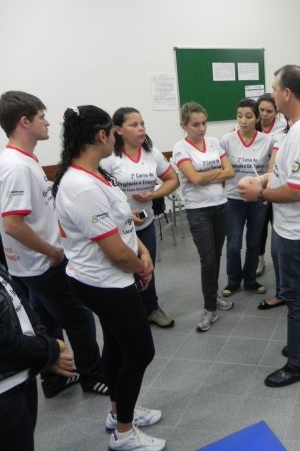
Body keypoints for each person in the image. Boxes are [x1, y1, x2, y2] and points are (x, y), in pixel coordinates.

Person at [53, 105, 164, 451]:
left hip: (111, 277)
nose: (116, 137)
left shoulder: (94, 173)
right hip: (104, 282)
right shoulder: (81, 186)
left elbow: (120, 224)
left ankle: (118, 413)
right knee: (141, 351)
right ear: (103, 135)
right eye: (113, 132)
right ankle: (124, 433)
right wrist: (140, 266)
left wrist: (142, 251)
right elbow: (115, 252)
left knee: (117, 344)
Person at [0, 91, 108, 398]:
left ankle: (54, 379)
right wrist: (52, 251)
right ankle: (92, 375)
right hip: (42, 262)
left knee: (45, 319)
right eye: (41, 117)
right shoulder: (17, 166)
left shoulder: (22, 160)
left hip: (31, 263)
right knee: (79, 317)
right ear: (24, 122)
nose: (47, 122)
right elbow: (12, 224)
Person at [239, 65, 300, 387]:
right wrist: (267, 178)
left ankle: (298, 363)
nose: (270, 94)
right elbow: (295, 174)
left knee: (297, 295)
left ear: (287, 93)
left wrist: (259, 194)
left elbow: (299, 189)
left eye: (274, 88)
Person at [101, 107, 179, 328]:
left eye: (142, 123)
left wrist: (154, 194)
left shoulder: (151, 153)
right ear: (118, 130)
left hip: (146, 222)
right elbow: (99, 193)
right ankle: (129, 314)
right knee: (123, 271)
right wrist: (123, 214)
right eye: (134, 125)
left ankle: (151, 308)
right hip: (118, 227)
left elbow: (173, 180)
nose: (141, 128)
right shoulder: (109, 158)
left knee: (146, 267)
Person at [173, 102, 235, 332]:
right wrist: (217, 173)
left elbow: (230, 172)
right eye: (195, 124)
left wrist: (205, 175)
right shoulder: (180, 148)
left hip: (220, 206)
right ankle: (210, 308)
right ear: (184, 125)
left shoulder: (214, 142)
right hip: (198, 210)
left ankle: (213, 295)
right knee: (207, 259)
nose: (201, 128)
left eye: (204, 123)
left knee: (215, 256)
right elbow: (194, 178)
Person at [0, 264, 76, 451]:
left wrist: (45, 350)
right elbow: (5, 344)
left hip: (23, 373)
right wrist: (49, 350)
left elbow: (20, 302)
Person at [220, 99, 271, 297]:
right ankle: (233, 281)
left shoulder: (267, 141)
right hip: (234, 199)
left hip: (257, 200)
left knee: (254, 242)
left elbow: (271, 171)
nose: (243, 120)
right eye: (239, 116)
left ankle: (250, 280)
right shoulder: (227, 140)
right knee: (233, 244)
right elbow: (222, 169)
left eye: (249, 116)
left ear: (257, 118)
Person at [255, 94, 288, 278]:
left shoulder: (283, 128)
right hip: (257, 183)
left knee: (278, 224)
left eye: (269, 111)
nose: (264, 114)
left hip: (277, 183)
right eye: (261, 110)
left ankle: (281, 260)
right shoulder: (251, 124)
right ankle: (259, 258)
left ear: (277, 112)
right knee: (259, 226)